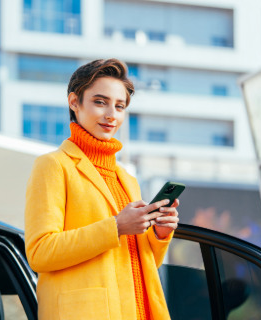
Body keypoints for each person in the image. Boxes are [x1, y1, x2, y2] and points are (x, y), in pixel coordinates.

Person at [25, 59, 180, 320]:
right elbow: (40, 253)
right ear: (74, 102)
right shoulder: (53, 166)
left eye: (119, 106)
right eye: (100, 102)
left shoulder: (127, 179)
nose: (112, 115)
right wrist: (116, 226)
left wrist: (160, 234)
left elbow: (140, 264)